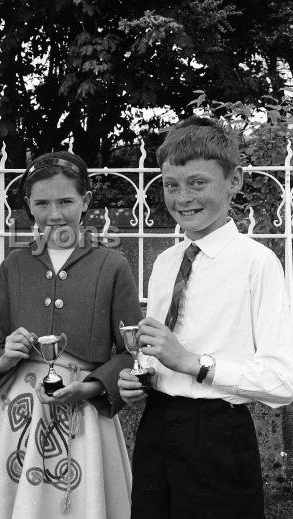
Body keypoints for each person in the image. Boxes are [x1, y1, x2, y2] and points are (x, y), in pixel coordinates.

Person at [118, 116, 293, 519]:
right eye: (170, 185)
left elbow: (282, 381)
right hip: (157, 425)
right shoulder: (165, 262)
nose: (182, 198)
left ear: (234, 181)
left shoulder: (257, 264)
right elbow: (161, 353)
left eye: (198, 183)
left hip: (219, 434)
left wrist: (194, 364)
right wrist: (141, 377)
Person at [0, 151, 142, 519]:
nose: (55, 213)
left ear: (85, 202)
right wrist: (5, 355)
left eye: (66, 201)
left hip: (85, 405)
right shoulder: (14, 265)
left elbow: (131, 351)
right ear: (28, 207)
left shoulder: (111, 265)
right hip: (20, 409)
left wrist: (94, 386)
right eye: (42, 203)